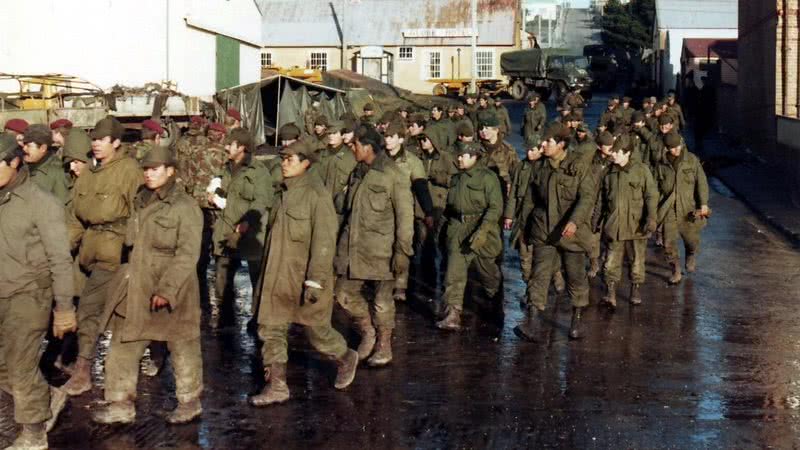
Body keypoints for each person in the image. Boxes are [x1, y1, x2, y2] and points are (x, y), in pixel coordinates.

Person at [91, 146, 204, 425]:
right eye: (146, 169)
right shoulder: (141, 200)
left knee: (182, 345)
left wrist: (167, 289)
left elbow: (188, 253)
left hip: (173, 290)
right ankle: (119, 403)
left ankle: (189, 402)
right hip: (138, 285)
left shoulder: (184, 207)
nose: (149, 174)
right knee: (124, 342)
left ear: (171, 171)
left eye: (155, 169)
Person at [250, 140, 359, 407]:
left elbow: (324, 241)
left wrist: (316, 281)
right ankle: (277, 386)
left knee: (317, 332)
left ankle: (345, 357)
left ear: (306, 162)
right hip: (278, 276)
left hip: (303, 278)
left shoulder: (316, 195)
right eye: (283, 158)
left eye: (290, 159)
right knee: (270, 328)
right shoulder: (282, 192)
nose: (284, 163)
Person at [0, 135, 75, 449]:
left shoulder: (41, 202)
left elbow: (60, 258)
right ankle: (47, 397)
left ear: (14, 162)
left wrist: (64, 308)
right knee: (4, 365)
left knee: (20, 366)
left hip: (30, 295)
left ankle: (33, 434)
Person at [63, 116, 143, 396]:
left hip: (114, 251)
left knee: (89, 310)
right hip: (87, 250)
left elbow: (140, 213)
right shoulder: (88, 173)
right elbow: (75, 217)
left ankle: (83, 370)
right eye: (93, 139)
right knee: (90, 310)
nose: (95, 144)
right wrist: (62, 250)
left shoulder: (130, 171)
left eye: (102, 140)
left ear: (116, 143)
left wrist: (135, 254)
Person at [334, 127, 413, 366]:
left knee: (382, 301)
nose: (352, 148)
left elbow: (405, 218)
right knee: (343, 294)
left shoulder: (393, 175)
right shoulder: (357, 171)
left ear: (367, 147)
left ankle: (384, 345)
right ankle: (368, 332)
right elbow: (345, 210)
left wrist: (402, 252)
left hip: (382, 250)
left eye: (355, 145)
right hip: (354, 248)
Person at [513, 124, 596, 342]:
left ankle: (576, 319)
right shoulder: (539, 167)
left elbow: (587, 198)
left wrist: (574, 222)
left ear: (560, 144)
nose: (542, 146)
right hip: (543, 230)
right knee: (539, 274)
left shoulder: (578, 166)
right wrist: (523, 227)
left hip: (569, 233)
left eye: (547, 142)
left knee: (575, 275)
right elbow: (531, 200)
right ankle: (532, 322)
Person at [436, 141, 503, 330]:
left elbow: (495, 207)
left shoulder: (488, 178)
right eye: (458, 155)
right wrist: (442, 230)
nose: (459, 158)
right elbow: (449, 208)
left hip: (482, 228)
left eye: (463, 156)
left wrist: (482, 231)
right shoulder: (456, 179)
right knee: (453, 273)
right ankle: (453, 314)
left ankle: (495, 302)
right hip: (458, 228)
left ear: (475, 157)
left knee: (487, 273)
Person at [209, 128, 274, 316]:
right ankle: (225, 317)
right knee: (222, 273)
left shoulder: (258, 172)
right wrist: (215, 193)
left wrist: (248, 222)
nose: (226, 147)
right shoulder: (227, 167)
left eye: (231, 144)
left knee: (256, 275)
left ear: (242, 148)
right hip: (227, 226)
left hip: (251, 230)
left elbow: (262, 200)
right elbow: (225, 191)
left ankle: (257, 317)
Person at [596, 140, 658, 307]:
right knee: (610, 262)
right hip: (614, 226)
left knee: (637, 260)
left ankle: (635, 288)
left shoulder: (641, 171)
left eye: (617, 152)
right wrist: (596, 222)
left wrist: (651, 217)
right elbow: (601, 200)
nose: (612, 155)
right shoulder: (607, 173)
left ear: (627, 153)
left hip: (637, 226)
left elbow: (651, 195)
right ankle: (610, 293)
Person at [504, 137, 564, 307]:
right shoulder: (520, 167)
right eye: (528, 149)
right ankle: (530, 290)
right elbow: (514, 193)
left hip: (541, 220)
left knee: (543, 257)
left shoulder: (548, 167)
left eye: (534, 149)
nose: (530, 153)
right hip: (523, 219)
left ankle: (553, 275)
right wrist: (509, 216)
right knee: (525, 258)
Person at [383, 122, 433, 302]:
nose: (387, 140)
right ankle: (382, 281)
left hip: (404, 208)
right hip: (380, 207)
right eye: (386, 136)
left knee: (403, 243)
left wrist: (428, 212)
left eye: (392, 137)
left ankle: (400, 285)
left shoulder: (412, 161)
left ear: (401, 139)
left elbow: (421, 187)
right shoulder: (379, 158)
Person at [653, 132, 710, 284]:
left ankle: (690, 254)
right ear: (666, 148)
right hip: (669, 209)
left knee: (692, 240)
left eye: (678, 146)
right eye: (672, 148)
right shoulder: (661, 165)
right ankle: (676, 269)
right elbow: (655, 189)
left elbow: (701, 182)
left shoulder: (691, 160)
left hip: (688, 209)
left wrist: (703, 203)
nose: (676, 150)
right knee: (668, 243)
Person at [414, 132, 458, 297]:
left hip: (439, 206)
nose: (422, 143)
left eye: (425, 139)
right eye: (420, 140)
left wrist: (438, 177)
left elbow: (454, 179)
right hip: (421, 207)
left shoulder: (445, 158)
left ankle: (440, 281)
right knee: (423, 244)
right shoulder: (419, 158)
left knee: (439, 244)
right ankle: (427, 281)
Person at [22, 124, 70, 204]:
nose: (24, 148)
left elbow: (63, 206)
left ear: (43, 148)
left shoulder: (58, 172)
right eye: (24, 144)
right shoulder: (24, 167)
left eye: (28, 145)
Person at [478, 114, 519, 199]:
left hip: (500, 191)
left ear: (496, 130)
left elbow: (515, 172)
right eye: (482, 128)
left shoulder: (507, 149)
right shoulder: (477, 148)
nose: (483, 131)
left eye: (487, 128)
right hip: (479, 191)